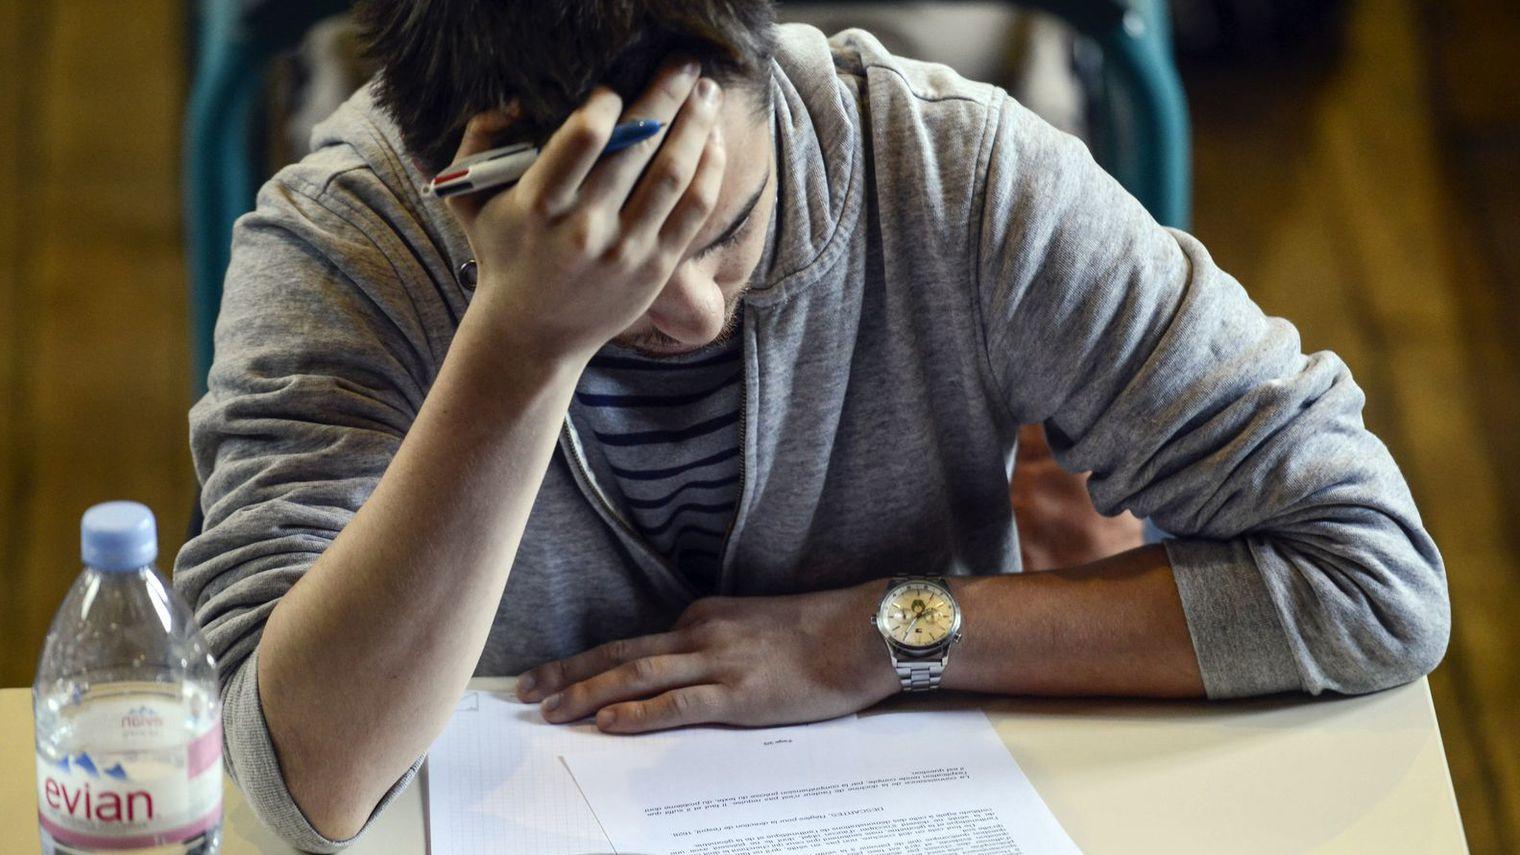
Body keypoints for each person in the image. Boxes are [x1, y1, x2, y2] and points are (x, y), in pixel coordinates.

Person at [173, 1, 1450, 851]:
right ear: (447, 179)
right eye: (615, 260)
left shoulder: (957, 178)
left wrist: (886, 636)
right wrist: (520, 348)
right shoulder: (344, 249)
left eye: (720, 227)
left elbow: (1372, 578)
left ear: (763, 66)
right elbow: (303, 782)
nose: (686, 309)